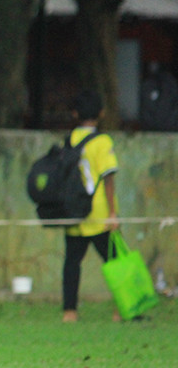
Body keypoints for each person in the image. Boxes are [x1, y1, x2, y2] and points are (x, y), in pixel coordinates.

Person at [61, 90, 121, 323]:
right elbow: (108, 177)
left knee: (72, 262)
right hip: (98, 212)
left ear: (75, 113)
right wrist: (113, 213)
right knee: (115, 262)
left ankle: (69, 312)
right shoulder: (102, 141)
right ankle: (121, 309)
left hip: (74, 211)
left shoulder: (69, 140)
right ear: (102, 113)